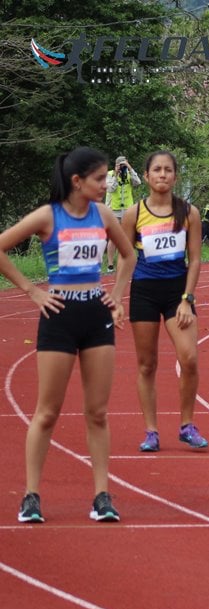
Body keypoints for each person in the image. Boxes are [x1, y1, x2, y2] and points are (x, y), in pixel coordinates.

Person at [0, 147, 136, 523]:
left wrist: (118, 295)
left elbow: (128, 256)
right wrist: (32, 290)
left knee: (97, 412)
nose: (105, 184)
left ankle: (102, 496)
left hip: (96, 314)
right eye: (99, 179)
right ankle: (31, 496)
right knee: (47, 412)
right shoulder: (49, 216)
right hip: (58, 315)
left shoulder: (103, 214)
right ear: (77, 181)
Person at [120, 151, 207, 453]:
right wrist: (117, 297)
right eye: (156, 170)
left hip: (177, 292)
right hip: (144, 291)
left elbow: (195, 259)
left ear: (175, 176)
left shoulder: (188, 212)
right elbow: (125, 256)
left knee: (190, 358)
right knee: (147, 364)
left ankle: (186, 425)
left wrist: (187, 298)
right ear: (146, 176)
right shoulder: (134, 213)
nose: (162, 175)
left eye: (168, 170)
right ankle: (151, 431)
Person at [104, 155, 140, 272]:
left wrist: (130, 169)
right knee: (114, 238)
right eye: (120, 164)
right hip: (113, 210)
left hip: (128, 210)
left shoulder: (129, 173)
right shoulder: (110, 175)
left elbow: (137, 183)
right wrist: (116, 174)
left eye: (123, 164)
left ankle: (128, 263)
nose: (122, 166)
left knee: (129, 237)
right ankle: (110, 265)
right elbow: (110, 189)